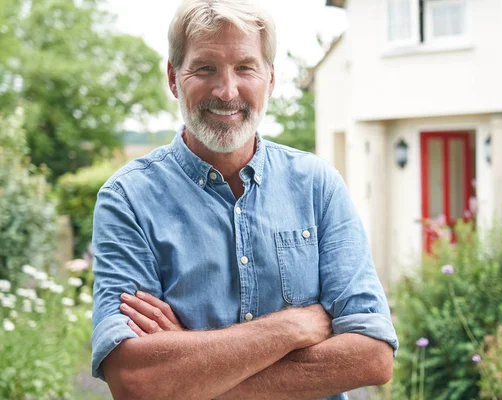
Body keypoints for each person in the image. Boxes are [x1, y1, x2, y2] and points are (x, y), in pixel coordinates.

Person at [90, 0, 398, 399]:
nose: (226, 90)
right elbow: (135, 380)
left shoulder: (317, 186)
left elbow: (372, 356)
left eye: (245, 68)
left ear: (270, 78)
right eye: (205, 68)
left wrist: (192, 379)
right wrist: (292, 328)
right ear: (173, 77)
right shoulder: (127, 199)